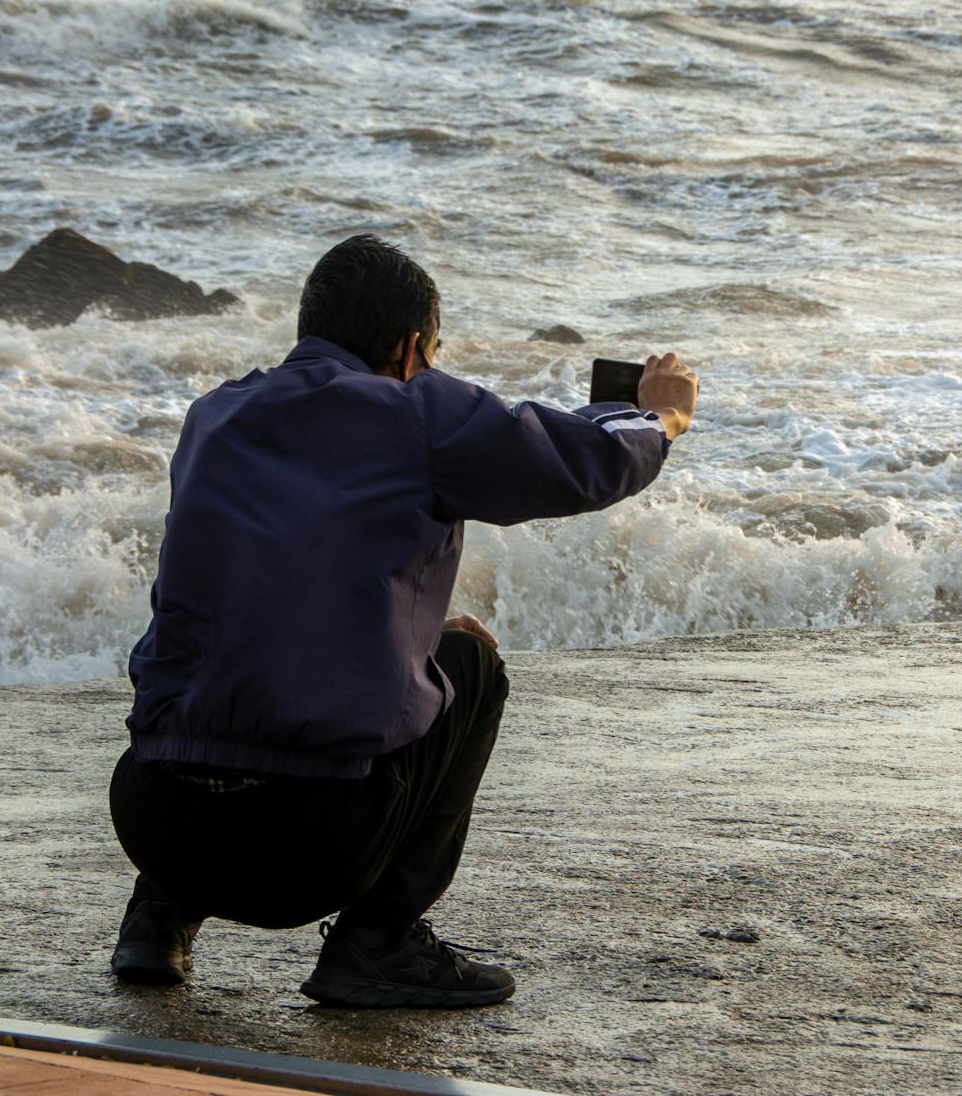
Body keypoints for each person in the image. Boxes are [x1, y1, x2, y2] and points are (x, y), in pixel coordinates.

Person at [107, 234, 699, 1009]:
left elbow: (258, 575)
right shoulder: (419, 412)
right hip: (309, 846)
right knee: (472, 667)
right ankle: (376, 941)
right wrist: (660, 415)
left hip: (157, 819)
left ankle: (156, 918)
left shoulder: (215, 415)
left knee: (216, 664)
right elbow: (587, 458)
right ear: (411, 346)